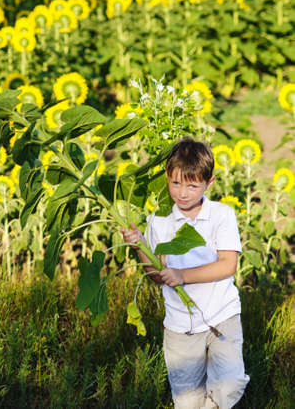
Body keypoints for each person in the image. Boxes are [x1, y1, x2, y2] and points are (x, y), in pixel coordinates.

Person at [121, 137, 250, 409]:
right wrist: (139, 244)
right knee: (187, 400)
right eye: (175, 183)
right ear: (167, 177)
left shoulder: (221, 215)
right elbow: (156, 274)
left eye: (192, 186)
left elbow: (228, 264)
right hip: (181, 325)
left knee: (229, 385)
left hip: (221, 316)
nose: (182, 193)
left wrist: (182, 275)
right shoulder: (160, 220)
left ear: (209, 183)